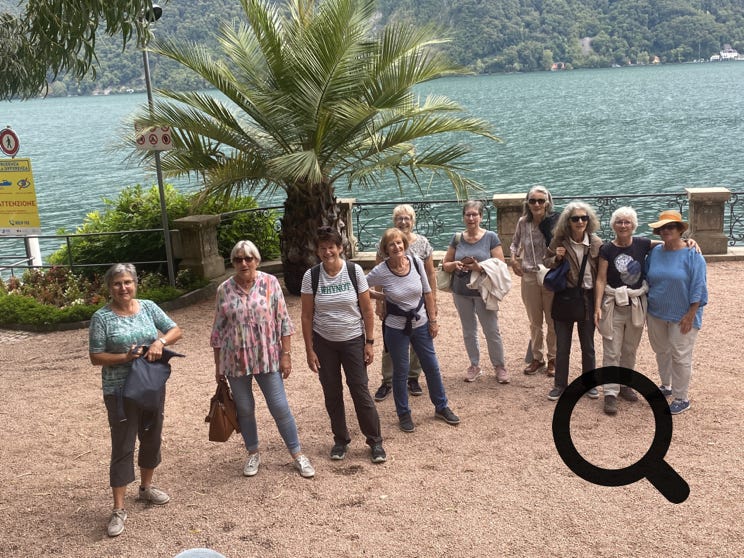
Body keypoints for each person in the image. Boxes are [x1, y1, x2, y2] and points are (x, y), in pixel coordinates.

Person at [89, 263, 183, 538]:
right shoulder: (102, 318)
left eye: (127, 282)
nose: (123, 288)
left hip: (150, 385)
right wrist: (125, 357)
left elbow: (175, 330)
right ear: (110, 287)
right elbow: (95, 357)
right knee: (123, 444)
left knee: (152, 435)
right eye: (117, 283)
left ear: (135, 284)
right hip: (119, 390)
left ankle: (146, 488)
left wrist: (159, 343)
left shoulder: (148, 307)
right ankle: (118, 508)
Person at [210, 240, 315, 479]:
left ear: (256, 260)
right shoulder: (224, 289)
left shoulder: (270, 283)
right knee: (245, 408)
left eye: (248, 258)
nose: (244, 263)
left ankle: (297, 454)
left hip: (267, 358)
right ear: (233, 263)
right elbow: (218, 332)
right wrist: (218, 367)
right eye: (238, 259)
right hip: (235, 360)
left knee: (279, 406)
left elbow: (284, 321)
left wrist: (286, 355)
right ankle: (253, 452)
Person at [300, 227, 386, 463]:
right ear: (317, 251)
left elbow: (366, 309)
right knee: (332, 393)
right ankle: (340, 439)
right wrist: (309, 350)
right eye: (322, 248)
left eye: (331, 247)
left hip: (353, 340)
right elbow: (306, 315)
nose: (327, 252)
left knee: (360, 390)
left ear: (340, 248)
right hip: (324, 342)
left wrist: (369, 342)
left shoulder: (353, 271)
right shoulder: (311, 276)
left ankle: (375, 441)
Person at [366, 227, 460, 432]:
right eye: (391, 244)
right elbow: (361, 286)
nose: (396, 247)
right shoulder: (382, 270)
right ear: (386, 249)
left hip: (421, 323)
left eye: (399, 243)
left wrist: (433, 320)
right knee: (401, 371)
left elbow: (427, 292)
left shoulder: (416, 262)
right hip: (395, 327)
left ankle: (441, 406)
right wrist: (380, 297)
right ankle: (404, 413)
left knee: (432, 366)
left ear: (404, 244)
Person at [645, 210, 708, 415]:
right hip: (656, 312)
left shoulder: (693, 254)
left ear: (680, 229)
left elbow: (699, 286)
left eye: (670, 226)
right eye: (662, 227)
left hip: (683, 315)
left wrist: (691, 314)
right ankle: (666, 385)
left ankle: (682, 397)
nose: (666, 230)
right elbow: (647, 278)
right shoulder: (655, 253)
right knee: (661, 351)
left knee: (680, 355)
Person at [373, 204, 436, 401]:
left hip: (418, 301)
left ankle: (413, 378)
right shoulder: (385, 242)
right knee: (390, 343)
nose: (403, 222)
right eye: (399, 218)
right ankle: (387, 380)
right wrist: (379, 302)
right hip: (394, 304)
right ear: (394, 221)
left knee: (419, 341)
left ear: (413, 221)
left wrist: (433, 302)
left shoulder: (422, 243)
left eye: (407, 218)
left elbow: (430, 274)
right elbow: (378, 273)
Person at [441, 200, 509, 383]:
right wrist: (455, 264)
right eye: (468, 214)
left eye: (474, 214)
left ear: (481, 216)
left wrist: (479, 267)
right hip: (461, 291)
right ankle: (474, 365)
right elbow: (445, 265)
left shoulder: (490, 237)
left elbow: (501, 265)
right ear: (463, 217)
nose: (471, 218)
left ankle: (499, 366)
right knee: (469, 331)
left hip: (483, 291)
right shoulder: (457, 238)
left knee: (491, 330)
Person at [544, 202, 603, 401]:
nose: (580, 222)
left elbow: (602, 272)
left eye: (584, 218)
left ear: (589, 220)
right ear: (567, 221)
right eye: (575, 218)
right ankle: (560, 385)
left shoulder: (596, 242)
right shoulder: (559, 241)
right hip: (565, 297)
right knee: (562, 346)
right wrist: (557, 258)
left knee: (588, 345)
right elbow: (546, 261)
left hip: (587, 297)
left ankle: (589, 384)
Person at [510, 186, 558, 377]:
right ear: (527, 203)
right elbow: (514, 243)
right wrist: (514, 260)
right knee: (534, 321)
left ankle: (553, 358)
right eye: (532, 201)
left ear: (547, 202)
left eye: (540, 200)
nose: (537, 204)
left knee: (552, 320)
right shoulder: (523, 222)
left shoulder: (555, 222)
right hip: (529, 275)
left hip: (550, 275)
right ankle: (537, 358)